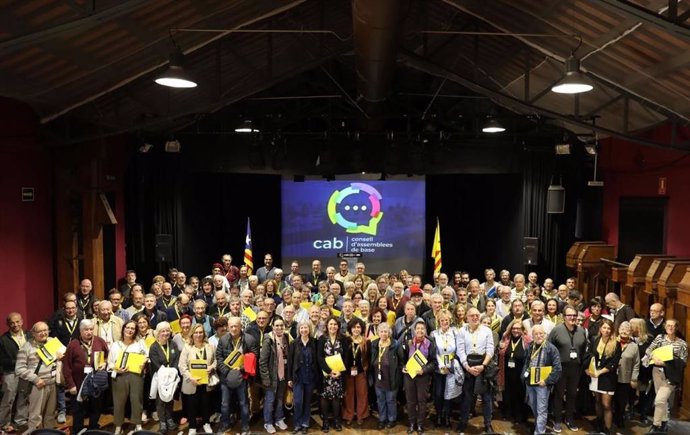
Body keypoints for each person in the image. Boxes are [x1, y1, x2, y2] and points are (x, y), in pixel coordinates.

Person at [15, 321, 64, 434]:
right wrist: (36, 379)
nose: (43, 333)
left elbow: (64, 354)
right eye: (39, 331)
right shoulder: (26, 347)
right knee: (36, 416)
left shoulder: (52, 341)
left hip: (52, 383)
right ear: (33, 333)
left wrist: (60, 358)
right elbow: (19, 369)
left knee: (50, 414)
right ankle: (34, 433)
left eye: (45, 330)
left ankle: (49, 433)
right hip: (37, 385)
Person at [62, 319, 109, 435]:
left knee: (96, 407)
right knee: (78, 410)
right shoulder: (73, 344)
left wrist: (105, 363)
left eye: (91, 329)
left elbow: (108, 357)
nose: (89, 332)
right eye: (86, 330)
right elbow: (66, 367)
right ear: (80, 331)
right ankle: (78, 430)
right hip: (78, 383)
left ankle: (93, 428)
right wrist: (71, 385)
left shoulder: (99, 341)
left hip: (96, 383)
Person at [548, 305, 588, 432]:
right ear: (563, 317)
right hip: (560, 368)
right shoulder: (556, 330)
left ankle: (569, 418)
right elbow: (549, 348)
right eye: (569, 315)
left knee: (572, 394)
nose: (572, 318)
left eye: (574, 315)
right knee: (559, 394)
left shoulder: (581, 331)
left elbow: (583, 350)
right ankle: (557, 419)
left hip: (575, 368)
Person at [215, 316, 258, 435]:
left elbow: (254, 356)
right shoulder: (223, 340)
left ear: (241, 327)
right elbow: (218, 357)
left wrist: (241, 369)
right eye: (231, 326)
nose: (234, 328)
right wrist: (227, 371)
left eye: (236, 326)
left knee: (244, 403)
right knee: (224, 404)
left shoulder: (249, 339)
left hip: (242, 377)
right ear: (228, 327)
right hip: (226, 378)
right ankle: (225, 424)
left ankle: (245, 426)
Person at [644, 319, 688, 432]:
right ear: (665, 327)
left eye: (673, 326)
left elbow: (683, 362)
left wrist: (667, 363)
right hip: (657, 372)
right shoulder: (659, 338)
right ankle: (664, 422)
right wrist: (654, 357)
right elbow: (649, 350)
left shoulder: (682, 343)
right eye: (668, 325)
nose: (670, 328)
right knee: (662, 400)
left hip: (671, 375)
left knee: (659, 400)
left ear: (676, 328)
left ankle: (656, 425)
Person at [456, 307, 495, 433]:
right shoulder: (462, 331)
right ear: (467, 317)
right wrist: (467, 366)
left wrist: (483, 365)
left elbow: (490, 349)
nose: (475, 317)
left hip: (483, 366)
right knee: (467, 397)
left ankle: (488, 424)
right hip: (468, 367)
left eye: (477, 315)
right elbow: (460, 350)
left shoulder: (487, 331)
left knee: (487, 398)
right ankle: (463, 422)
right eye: (472, 315)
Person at [107, 319, 148, 435]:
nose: (130, 330)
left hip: (136, 375)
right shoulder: (115, 345)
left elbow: (147, 356)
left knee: (136, 400)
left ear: (135, 331)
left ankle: (137, 424)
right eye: (128, 328)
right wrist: (116, 369)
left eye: (132, 329)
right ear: (123, 329)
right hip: (119, 376)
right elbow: (109, 363)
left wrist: (144, 361)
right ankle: (118, 426)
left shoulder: (140, 344)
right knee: (119, 402)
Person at [523, 324, 562, 435]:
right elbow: (526, 362)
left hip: (543, 384)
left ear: (545, 334)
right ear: (532, 335)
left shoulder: (551, 348)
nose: (539, 336)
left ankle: (539, 432)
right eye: (536, 333)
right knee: (533, 405)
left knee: (542, 409)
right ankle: (538, 426)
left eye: (541, 333)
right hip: (530, 382)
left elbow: (558, 368)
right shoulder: (530, 346)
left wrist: (546, 381)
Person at [399, 319, 436, 435]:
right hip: (409, 376)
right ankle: (411, 423)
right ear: (414, 330)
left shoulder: (430, 343)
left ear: (425, 331)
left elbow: (434, 363)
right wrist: (403, 367)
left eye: (422, 328)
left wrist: (424, 370)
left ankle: (420, 424)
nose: (420, 330)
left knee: (422, 401)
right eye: (418, 328)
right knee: (410, 401)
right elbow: (402, 360)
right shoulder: (408, 343)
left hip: (422, 377)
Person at [586, 318, 622, 434]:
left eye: (608, 328)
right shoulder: (595, 339)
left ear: (611, 330)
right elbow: (590, 355)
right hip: (594, 375)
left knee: (606, 404)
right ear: (600, 329)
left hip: (607, 377)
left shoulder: (616, 344)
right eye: (604, 327)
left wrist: (600, 372)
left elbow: (614, 363)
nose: (606, 330)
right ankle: (599, 424)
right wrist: (588, 370)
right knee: (597, 401)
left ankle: (608, 429)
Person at [179, 324, 216, 435]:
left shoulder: (210, 346)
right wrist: (191, 378)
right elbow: (182, 365)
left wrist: (212, 367)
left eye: (200, 332)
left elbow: (216, 361)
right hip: (192, 382)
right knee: (191, 405)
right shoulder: (187, 347)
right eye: (196, 332)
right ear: (192, 334)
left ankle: (206, 423)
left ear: (204, 334)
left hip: (206, 381)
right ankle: (192, 426)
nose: (198, 335)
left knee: (206, 403)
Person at [259, 317, 290, 434]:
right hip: (271, 377)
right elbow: (262, 362)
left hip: (282, 376)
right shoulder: (268, 339)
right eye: (277, 325)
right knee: (270, 400)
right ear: (272, 326)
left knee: (280, 399)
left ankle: (279, 419)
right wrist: (266, 378)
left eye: (281, 325)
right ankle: (268, 422)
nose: (279, 328)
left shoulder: (286, 337)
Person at [317, 316, 348, 432]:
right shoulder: (322, 339)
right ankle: (325, 422)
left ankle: (336, 421)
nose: (333, 326)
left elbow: (346, 357)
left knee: (336, 398)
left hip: (339, 374)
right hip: (326, 374)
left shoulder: (343, 339)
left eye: (335, 324)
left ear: (338, 326)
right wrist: (329, 371)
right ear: (327, 326)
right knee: (324, 397)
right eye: (330, 324)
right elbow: (319, 357)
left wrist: (340, 371)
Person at [0, 313, 30, 432]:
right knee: (8, 399)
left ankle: (20, 421)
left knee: (23, 397)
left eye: (17, 322)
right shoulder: (3, 339)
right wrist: (17, 361)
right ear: (8, 324)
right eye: (12, 322)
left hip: (26, 372)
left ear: (22, 321)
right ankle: (3, 423)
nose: (15, 325)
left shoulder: (29, 335)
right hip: (10, 372)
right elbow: (1, 359)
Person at [148, 321, 179, 433]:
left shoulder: (173, 344)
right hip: (159, 377)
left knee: (170, 398)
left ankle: (170, 418)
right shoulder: (154, 347)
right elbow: (155, 364)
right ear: (158, 333)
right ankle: (162, 421)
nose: (165, 333)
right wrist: (167, 373)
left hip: (172, 377)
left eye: (167, 331)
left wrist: (173, 372)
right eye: (163, 331)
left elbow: (176, 359)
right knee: (160, 400)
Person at [288, 320, 318, 434]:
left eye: (306, 328)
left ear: (309, 329)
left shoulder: (314, 342)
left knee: (307, 402)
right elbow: (290, 362)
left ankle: (305, 423)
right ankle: (297, 424)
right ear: (299, 330)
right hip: (298, 377)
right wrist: (290, 378)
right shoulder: (294, 343)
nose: (304, 330)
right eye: (302, 328)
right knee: (298, 401)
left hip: (310, 377)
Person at [498, 319, 530, 424]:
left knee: (519, 394)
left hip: (520, 373)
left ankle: (519, 415)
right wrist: (500, 347)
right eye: (514, 328)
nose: (515, 330)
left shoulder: (527, 340)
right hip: (506, 372)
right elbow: (500, 352)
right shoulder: (506, 338)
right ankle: (508, 413)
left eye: (518, 328)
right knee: (507, 393)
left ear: (522, 330)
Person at [369, 322, 400, 430]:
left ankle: (391, 419)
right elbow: (371, 360)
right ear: (378, 333)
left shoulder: (395, 344)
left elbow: (401, 361)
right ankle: (382, 419)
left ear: (389, 333)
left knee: (391, 400)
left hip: (391, 378)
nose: (383, 333)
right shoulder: (374, 344)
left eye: (385, 331)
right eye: (381, 331)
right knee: (380, 400)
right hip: (378, 379)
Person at [430, 309, 456, 428]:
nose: (444, 322)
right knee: (439, 393)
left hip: (451, 368)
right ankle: (439, 415)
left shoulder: (456, 332)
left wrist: (449, 366)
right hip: (439, 369)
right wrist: (442, 366)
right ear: (438, 321)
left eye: (446, 320)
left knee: (449, 393)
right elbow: (434, 352)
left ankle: (447, 416)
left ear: (450, 320)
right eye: (442, 320)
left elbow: (458, 351)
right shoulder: (434, 334)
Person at [342, 317, 369, 426]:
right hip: (348, 372)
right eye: (354, 327)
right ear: (350, 328)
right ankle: (349, 415)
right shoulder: (346, 340)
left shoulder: (365, 342)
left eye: (358, 327)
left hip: (361, 372)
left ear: (362, 329)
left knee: (362, 394)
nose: (356, 329)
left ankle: (360, 415)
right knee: (348, 394)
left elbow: (368, 357)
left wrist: (366, 368)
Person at [613, 321, 639, 430]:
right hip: (611, 377)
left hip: (625, 378)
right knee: (610, 400)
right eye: (622, 329)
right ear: (618, 330)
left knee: (622, 401)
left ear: (630, 332)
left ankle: (620, 419)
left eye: (627, 329)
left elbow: (637, 364)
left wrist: (634, 379)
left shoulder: (634, 346)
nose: (624, 331)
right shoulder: (612, 342)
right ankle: (610, 418)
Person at [629, 318, 654, 425]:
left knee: (644, 393)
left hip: (644, 371)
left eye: (631, 325)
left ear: (638, 327)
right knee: (630, 392)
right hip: (632, 370)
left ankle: (643, 414)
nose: (629, 327)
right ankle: (630, 410)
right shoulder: (630, 339)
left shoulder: (649, 339)